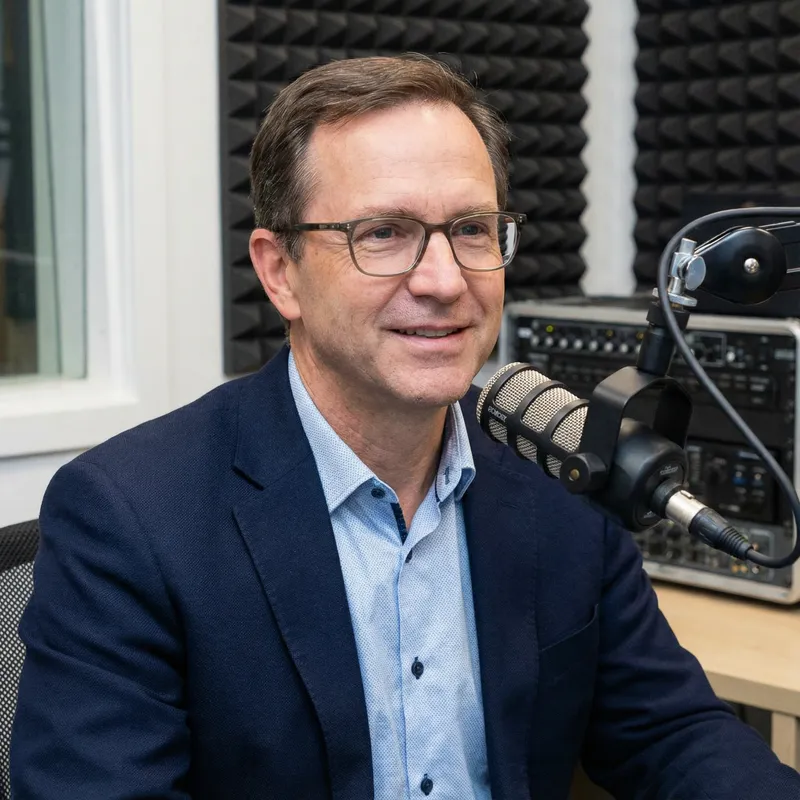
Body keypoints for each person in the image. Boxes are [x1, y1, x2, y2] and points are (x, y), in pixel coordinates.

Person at [10, 54, 800, 800]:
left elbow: (673, 733)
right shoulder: (131, 515)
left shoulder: (559, 481)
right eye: (382, 233)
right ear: (279, 272)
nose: (445, 282)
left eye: (472, 230)